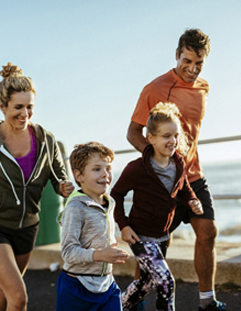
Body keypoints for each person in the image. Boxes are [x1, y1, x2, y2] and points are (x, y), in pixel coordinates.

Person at [126, 29, 227, 311]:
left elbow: (191, 134)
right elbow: (133, 132)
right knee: (153, 249)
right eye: (187, 61)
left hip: (193, 176)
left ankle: (207, 301)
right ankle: (136, 303)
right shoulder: (154, 89)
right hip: (163, 182)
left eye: (199, 63)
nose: (192, 69)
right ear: (177, 55)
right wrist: (156, 162)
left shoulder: (203, 88)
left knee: (208, 232)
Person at [111, 102, 203, 311]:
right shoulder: (137, 168)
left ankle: (118, 306)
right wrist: (123, 225)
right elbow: (116, 194)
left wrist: (193, 200)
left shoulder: (178, 163)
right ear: (150, 138)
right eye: (166, 136)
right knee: (166, 282)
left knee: (148, 282)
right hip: (140, 235)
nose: (173, 141)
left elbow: (184, 188)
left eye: (175, 135)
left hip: (162, 235)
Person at [0, 62, 74, 311]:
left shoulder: (45, 139)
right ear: (2, 107)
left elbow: (58, 175)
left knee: (4, 297)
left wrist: (64, 186)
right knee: (19, 298)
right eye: (18, 107)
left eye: (29, 107)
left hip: (27, 227)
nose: (25, 113)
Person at [56, 142, 130, 311]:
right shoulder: (75, 207)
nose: (105, 174)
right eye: (97, 169)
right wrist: (100, 255)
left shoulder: (109, 202)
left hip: (106, 284)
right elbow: (68, 252)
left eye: (108, 168)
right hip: (76, 287)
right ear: (79, 176)